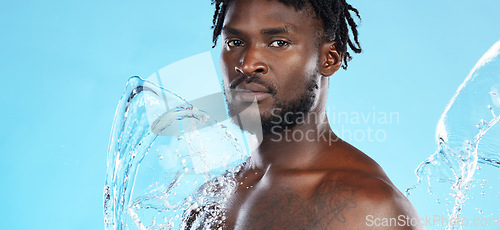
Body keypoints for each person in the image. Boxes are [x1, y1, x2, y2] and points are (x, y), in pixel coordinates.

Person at [183, 0, 423, 229]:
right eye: (235, 42)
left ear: (329, 58)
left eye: (278, 42)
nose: (247, 65)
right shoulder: (210, 197)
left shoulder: (367, 206)